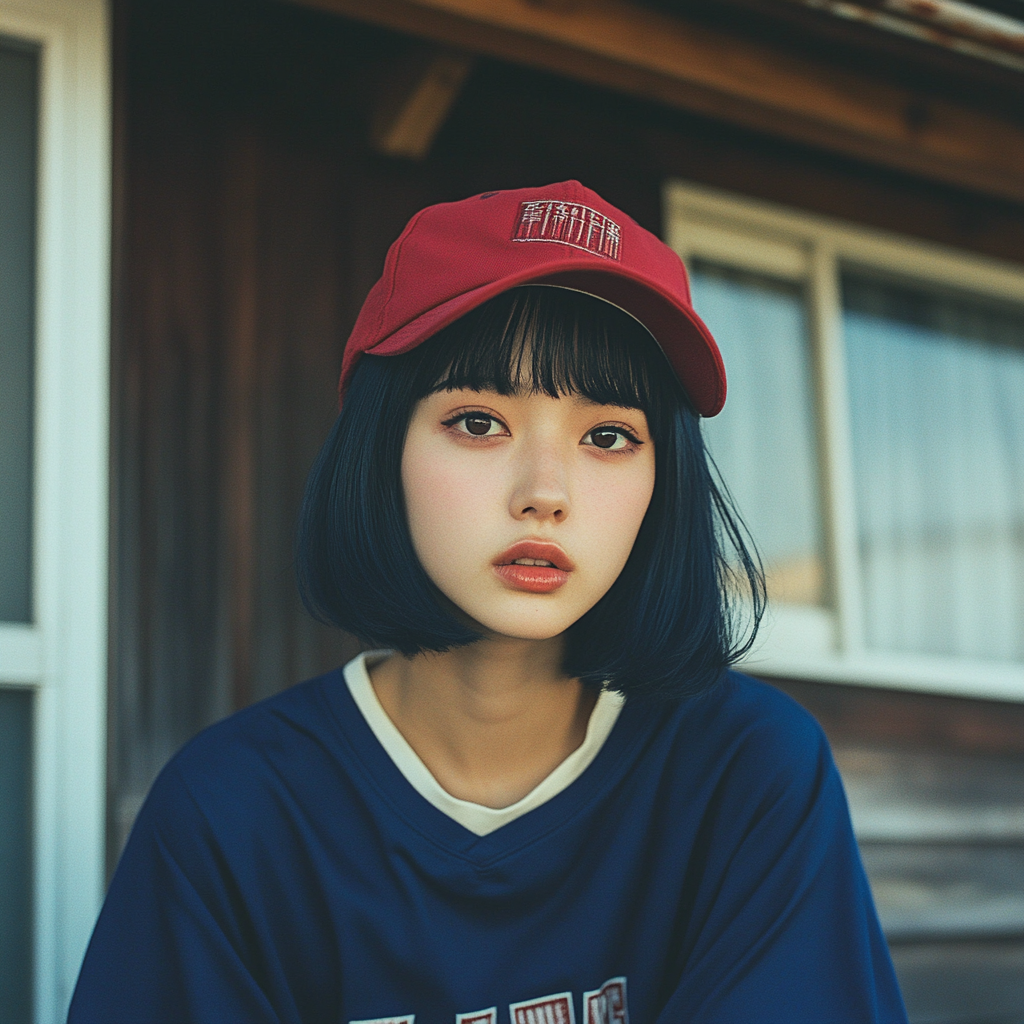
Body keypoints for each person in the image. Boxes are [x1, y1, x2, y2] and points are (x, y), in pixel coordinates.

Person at [69, 181, 907, 1023]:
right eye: (477, 421)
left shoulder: (745, 774)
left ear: (667, 480)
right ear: (379, 447)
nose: (545, 492)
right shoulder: (231, 814)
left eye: (608, 436)